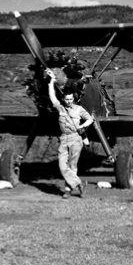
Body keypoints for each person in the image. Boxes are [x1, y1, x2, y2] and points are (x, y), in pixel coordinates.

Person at [46, 68, 94, 198]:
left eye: (70, 99)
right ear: (63, 99)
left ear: (73, 98)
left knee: (73, 165)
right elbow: (52, 96)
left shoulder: (79, 109)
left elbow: (90, 119)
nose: (68, 101)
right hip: (63, 139)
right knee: (62, 166)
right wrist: (52, 81)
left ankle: (68, 189)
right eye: (66, 99)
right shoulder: (60, 108)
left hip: (75, 138)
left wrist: (83, 126)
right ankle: (78, 183)